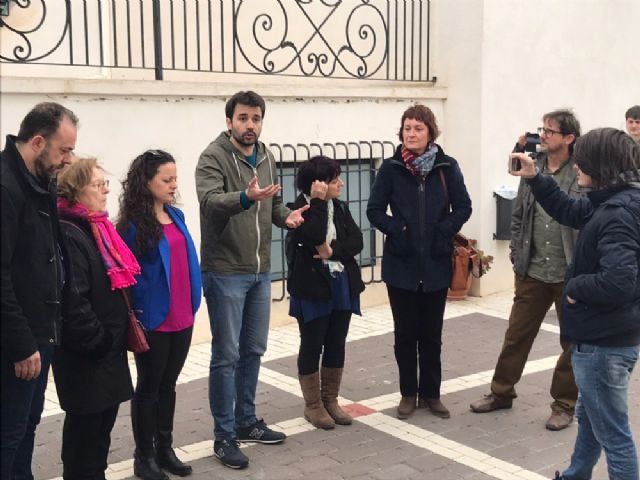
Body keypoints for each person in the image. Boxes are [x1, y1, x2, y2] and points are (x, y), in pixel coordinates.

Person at [510, 128, 640, 480]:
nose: (576, 164)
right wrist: (536, 179)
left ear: (601, 164)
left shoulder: (617, 214)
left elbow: (619, 281)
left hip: (603, 345)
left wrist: (574, 286)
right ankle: (575, 475)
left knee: (613, 433)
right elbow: (569, 210)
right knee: (591, 417)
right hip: (610, 338)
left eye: (583, 158)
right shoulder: (617, 201)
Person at [195, 90, 308, 469]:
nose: (250, 125)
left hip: (260, 271)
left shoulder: (267, 156)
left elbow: (272, 204)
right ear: (229, 121)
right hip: (225, 271)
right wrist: (245, 198)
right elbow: (210, 204)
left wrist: (286, 216)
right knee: (226, 355)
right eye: (243, 118)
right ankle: (223, 435)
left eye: (256, 118)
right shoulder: (213, 157)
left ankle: (246, 421)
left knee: (253, 349)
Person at [470, 109, 582, 431]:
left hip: (569, 273)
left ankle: (563, 404)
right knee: (516, 335)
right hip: (532, 269)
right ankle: (501, 392)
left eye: (550, 131)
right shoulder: (533, 168)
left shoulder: (580, 173)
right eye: (542, 130)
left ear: (569, 138)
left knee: (571, 343)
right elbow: (519, 214)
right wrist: (518, 255)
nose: (543, 135)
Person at [367, 104, 472, 420]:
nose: (411, 134)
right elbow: (374, 211)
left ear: (430, 133)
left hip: (437, 264)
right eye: (407, 128)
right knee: (404, 336)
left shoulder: (446, 166)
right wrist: (397, 229)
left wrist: (443, 232)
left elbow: (463, 207)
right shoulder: (391, 168)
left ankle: (431, 394)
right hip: (401, 267)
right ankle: (407, 394)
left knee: (431, 335)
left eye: (417, 128)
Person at [1, 102, 77, 479]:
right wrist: (21, 344)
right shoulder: (6, 187)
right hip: (18, 343)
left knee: (27, 425)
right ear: (36, 142)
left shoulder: (38, 180)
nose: (68, 160)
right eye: (64, 150)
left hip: (41, 332)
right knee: (8, 433)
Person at [118, 150, 202, 480]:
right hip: (153, 319)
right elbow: (126, 277)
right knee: (148, 388)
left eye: (174, 179)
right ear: (146, 181)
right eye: (166, 180)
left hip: (183, 315)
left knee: (169, 385)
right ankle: (145, 456)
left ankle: (165, 449)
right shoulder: (132, 226)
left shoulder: (176, 216)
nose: (173, 185)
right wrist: (136, 315)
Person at [54, 157, 138, 479]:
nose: (105, 190)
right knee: (84, 441)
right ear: (76, 190)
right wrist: (101, 341)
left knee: (99, 437)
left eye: (106, 183)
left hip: (106, 356)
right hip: (88, 358)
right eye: (97, 184)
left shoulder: (97, 228)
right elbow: (74, 300)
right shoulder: (70, 232)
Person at [287, 156, 365, 430]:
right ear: (318, 185)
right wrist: (318, 203)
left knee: (336, 341)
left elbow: (357, 240)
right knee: (312, 344)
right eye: (334, 180)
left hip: (340, 282)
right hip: (312, 287)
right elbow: (313, 234)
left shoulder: (340, 208)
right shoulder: (296, 210)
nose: (341, 183)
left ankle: (330, 400)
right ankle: (313, 405)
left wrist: (334, 252)